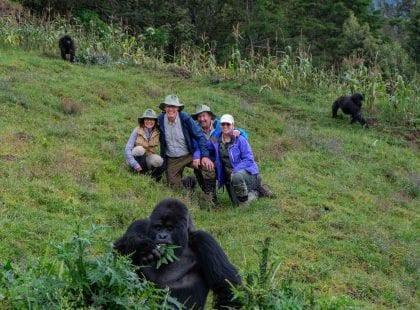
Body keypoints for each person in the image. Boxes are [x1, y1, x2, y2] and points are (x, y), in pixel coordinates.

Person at [208, 114, 274, 207]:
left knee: (238, 181)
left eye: (228, 124)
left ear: (233, 126)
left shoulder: (240, 139)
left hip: (247, 173)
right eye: (223, 124)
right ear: (220, 125)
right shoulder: (215, 139)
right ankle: (257, 192)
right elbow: (206, 148)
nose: (225, 126)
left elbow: (249, 159)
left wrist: (235, 171)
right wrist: (201, 157)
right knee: (235, 203)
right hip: (229, 177)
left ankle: (245, 201)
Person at [191, 104, 248, 204]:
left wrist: (239, 132)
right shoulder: (196, 129)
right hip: (211, 161)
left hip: (227, 163)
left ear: (210, 116)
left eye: (204, 116)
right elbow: (197, 146)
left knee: (237, 202)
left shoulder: (220, 125)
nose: (201, 119)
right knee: (201, 166)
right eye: (199, 117)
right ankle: (211, 198)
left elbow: (243, 134)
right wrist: (198, 156)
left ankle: (257, 187)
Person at [157, 95, 214, 189]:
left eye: (174, 106)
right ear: (164, 108)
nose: (171, 109)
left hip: (189, 155)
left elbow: (200, 136)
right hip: (172, 158)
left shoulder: (185, 118)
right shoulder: (160, 119)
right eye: (168, 106)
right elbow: (149, 127)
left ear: (178, 108)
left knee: (207, 166)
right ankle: (189, 183)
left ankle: (210, 196)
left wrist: (204, 156)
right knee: (174, 188)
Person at [125, 108, 164, 181]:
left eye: (152, 119)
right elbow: (127, 148)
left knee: (159, 161)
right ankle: (137, 171)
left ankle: (153, 179)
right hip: (134, 160)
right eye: (147, 119)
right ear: (143, 121)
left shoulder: (158, 132)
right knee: (139, 149)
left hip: (147, 158)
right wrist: (134, 164)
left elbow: (164, 146)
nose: (149, 121)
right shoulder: (137, 130)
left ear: (155, 121)